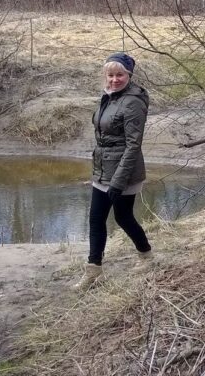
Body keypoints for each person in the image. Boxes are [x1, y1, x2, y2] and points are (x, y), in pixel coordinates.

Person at [74, 53, 152, 290]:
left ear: (129, 75)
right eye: (110, 75)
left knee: (123, 217)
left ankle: (146, 256)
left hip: (124, 172)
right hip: (103, 169)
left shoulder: (133, 102)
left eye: (120, 75)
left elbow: (133, 145)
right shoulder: (109, 97)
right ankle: (94, 270)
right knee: (96, 218)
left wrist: (118, 181)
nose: (114, 79)